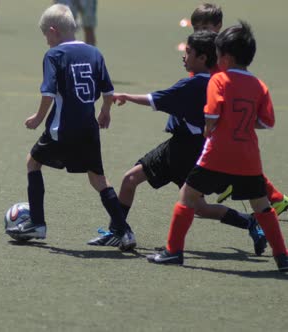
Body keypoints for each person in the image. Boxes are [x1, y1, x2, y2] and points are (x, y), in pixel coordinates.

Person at [87, 30, 267, 256]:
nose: (184, 56)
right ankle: (249, 222)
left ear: (202, 58)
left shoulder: (194, 84)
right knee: (192, 204)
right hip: (188, 147)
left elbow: (157, 99)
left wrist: (126, 96)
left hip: (184, 150)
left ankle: (119, 231)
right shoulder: (217, 81)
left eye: (188, 52)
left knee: (132, 180)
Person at [146, 21, 288, 272]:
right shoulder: (259, 85)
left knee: (187, 196)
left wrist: (210, 128)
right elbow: (267, 122)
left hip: (217, 154)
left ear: (227, 57)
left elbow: (211, 116)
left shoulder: (219, 80)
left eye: (219, 54)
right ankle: (283, 257)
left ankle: (173, 251)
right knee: (262, 205)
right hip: (248, 157)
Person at [5, 4, 135, 251]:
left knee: (32, 163)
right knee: (98, 179)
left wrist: (38, 118)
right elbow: (108, 91)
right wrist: (105, 112)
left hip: (61, 128)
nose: (46, 41)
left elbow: (48, 93)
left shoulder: (54, 55)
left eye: (46, 35)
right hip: (89, 128)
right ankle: (125, 231)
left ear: (53, 31)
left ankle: (37, 224)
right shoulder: (94, 52)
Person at [190, 3, 288, 215]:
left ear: (218, 27)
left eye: (205, 27)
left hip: (221, 118)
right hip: (210, 114)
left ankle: (274, 198)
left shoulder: (223, 55)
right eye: (196, 28)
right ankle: (205, 197)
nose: (200, 32)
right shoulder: (201, 50)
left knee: (236, 165)